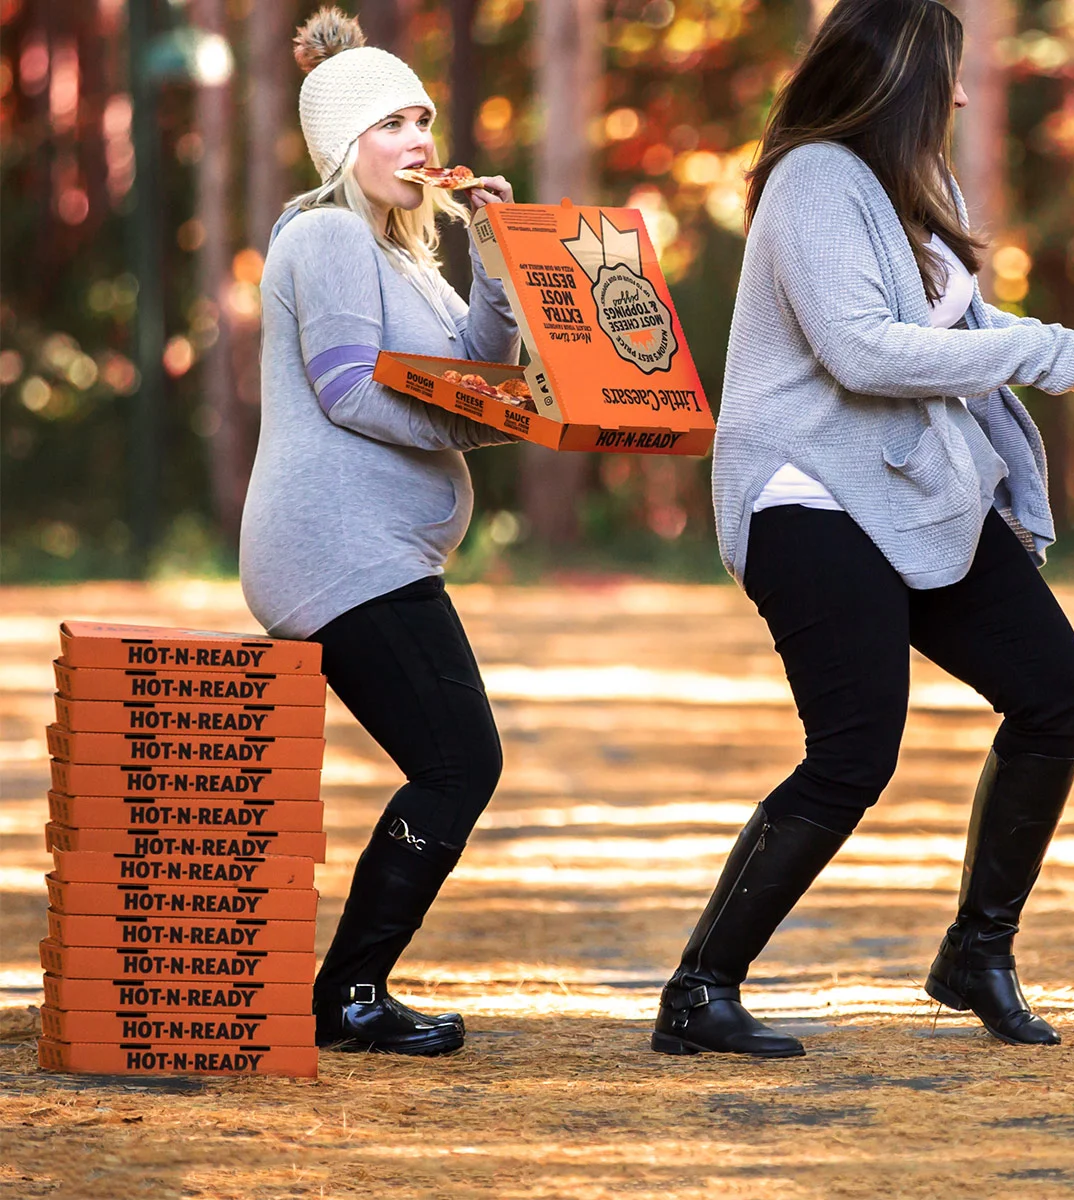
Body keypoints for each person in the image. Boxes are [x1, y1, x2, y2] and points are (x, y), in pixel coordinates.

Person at [654, 0, 1074, 1060]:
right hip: (809, 491)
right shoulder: (814, 180)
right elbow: (863, 350)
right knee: (854, 750)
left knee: (1054, 692)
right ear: (902, 78)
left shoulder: (922, 187)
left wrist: (1073, 350)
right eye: (949, 74)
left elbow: (963, 327)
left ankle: (976, 952)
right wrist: (1034, 351)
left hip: (915, 482)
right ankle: (699, 990)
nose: (964, 95)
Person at [240, 7, 522, 1057]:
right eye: (392, 125)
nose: (419, 141)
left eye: (424, 120)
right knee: (459, 762)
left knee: (455, 761)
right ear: (341, 147)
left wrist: (495, 254)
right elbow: (351, 392)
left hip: (378, 556)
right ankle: (348, 995)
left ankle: (351, 991)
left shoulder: (402, 257)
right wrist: (476, 423)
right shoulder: (324, 237)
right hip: (336, 552)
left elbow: (482, 368)